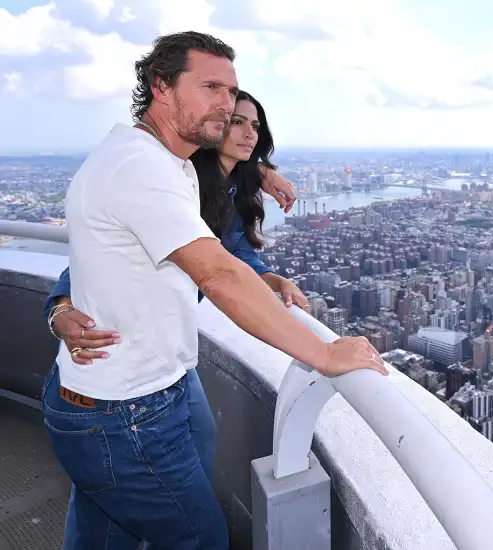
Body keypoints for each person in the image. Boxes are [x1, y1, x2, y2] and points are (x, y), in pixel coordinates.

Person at [41, 30, 387, 550]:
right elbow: (218, 273)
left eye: (231, 91)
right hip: (124, 410)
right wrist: (323, 353)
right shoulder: (141, 168)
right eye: (210, 88)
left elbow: (135, 248)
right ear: (161, 86)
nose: (225, 104)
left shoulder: (168, 162)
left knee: (105, 529)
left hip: (143, 387)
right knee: (199, 538)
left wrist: (260, 172)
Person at [44, 89, 303, 548]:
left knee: (134, 480)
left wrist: (270, 277)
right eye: (236, 121)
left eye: (255, 126)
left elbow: (233, 250)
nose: (247, 132)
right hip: (123, 370)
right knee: (164, 509)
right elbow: (94, 258)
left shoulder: (227, 187)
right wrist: (59, 307)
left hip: (164, 357)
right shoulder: (177, 181)